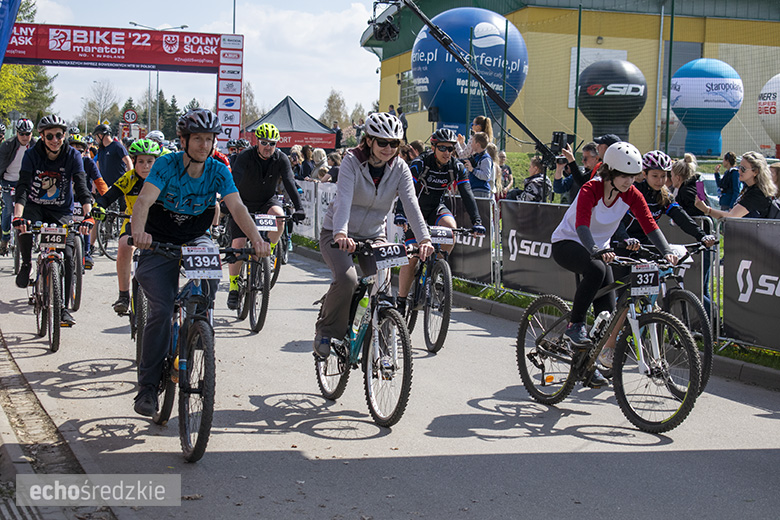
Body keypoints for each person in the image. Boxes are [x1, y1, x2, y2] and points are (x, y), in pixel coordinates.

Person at [130, 108, 269, 417]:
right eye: (198, 139)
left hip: (196, 236)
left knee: (208, 277)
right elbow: (144, 202)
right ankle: (148, 387)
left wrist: (257, 239)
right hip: (159, 239)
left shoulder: (218, 169)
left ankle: (198, 326)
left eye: (209, 139)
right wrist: (138, 233)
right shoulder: (165, 164)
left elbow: (237, 207)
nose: (204, 145)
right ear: (184, 140)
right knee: (162, 310)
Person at [550, 142, 678, 385]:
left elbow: (650, 224)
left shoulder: (632, 194)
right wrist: (595, 250)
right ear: (610, 171)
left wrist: (667, 250)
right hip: (569, 243)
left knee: (606, 317)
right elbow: (582, 226)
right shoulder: (592, 189)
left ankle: (587, 367)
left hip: (599, 250)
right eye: (623, 176)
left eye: (632, 177)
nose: (628, 182)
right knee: (596, 269)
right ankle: (575, 325)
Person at [313, 112, 434, 358]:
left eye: (394, 144)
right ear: (369, 140)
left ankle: (382, 345)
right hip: (337, 234)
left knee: (382, 287)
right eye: (382, 142)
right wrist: (341, 234)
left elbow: (411, 203)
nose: (388, 148)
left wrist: (424, 239)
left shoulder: (400, 168)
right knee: (347, 280)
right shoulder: (351, 161)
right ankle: (326, 331)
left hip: (373, 235)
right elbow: (344, 199)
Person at [12, 115, 95, 327]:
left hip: (61, 210)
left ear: (64, 135)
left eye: (59, 135)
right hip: (34, 206)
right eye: (50, 136)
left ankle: (63, 308)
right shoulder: (32, 155)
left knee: (67, 254)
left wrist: (88, 215)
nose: (55, 139)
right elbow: (22, 187)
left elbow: (82, 187)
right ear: (42, 136)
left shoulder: (72, 155)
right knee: (25, 228)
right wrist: (18, 215)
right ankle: (26, 263)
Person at [393, 128, 485, 316]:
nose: (447, 153)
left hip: (436, 208)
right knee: (411, 259)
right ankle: (401, 300)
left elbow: (467, 194)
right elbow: (405, 191)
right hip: (415, 210)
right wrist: (401, 213)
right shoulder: (420, 164)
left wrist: (477, 221)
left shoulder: (456, 166)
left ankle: (438, 266)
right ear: (433, 147)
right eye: (442, 148)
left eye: (451, 149)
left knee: (451, 230)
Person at [225, 122, 306, 310]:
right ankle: (234, 286)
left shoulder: (281, 159)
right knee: (237, 244)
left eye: (272, 143)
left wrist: (299, 207)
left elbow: (289, 182)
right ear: (257, 142)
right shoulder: (245, 156)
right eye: (264, 142)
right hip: (242, 204)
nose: (268, 147)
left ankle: (268, 249)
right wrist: (227, 203)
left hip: (266, 202)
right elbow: (233, 180)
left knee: (279, 216)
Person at [93, 139, 161, 315]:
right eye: (140, 161)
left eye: (150, 162)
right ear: (134, 162)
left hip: (159, 224)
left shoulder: (163, 178)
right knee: (124, 247)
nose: (145, 166)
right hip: (133, 221)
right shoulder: (129, 178)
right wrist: (100, 206)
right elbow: (110, 195)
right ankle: (123, 295)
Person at [695, 151, 777, 219]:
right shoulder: (748, 188)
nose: (739, 171)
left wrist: (706, 209)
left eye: (743, 169)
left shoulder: (757, 193)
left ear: (756, 172)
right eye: (739, 167)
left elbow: (733, 216)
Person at [0, 118, 35, 255]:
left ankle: (31, 237)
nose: (25, 137)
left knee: (28, 209)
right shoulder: (7, 145)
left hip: (26, 181)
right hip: (9, 180)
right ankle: (5, 239)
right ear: (17, 133)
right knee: (8, 210)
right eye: (22, 134)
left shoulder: (36, 145)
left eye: (28, 134)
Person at [93, 124, 133, 189]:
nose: (96, 140)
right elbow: (97, 167)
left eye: (96, 137)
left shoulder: (117, 146)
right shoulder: (101, 149)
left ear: (100, 135)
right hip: (105, 187)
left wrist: (129, 179)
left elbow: (128, 161)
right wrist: (95, 183)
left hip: (119, 187)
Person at [463, 132, 493, 198]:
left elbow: (486, 176)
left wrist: (473, 170)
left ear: (478, 144)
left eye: (473, 142)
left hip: (481, 191)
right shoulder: (477, 156)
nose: (471, 144)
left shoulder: (485, 159)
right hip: (473, 189)